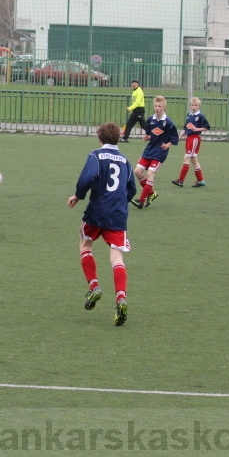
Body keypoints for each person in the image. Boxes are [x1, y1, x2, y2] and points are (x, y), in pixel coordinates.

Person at [68, 122, 137, 326]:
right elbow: (132, 188)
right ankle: (121, 298)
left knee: (85, 243)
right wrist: (119, 201)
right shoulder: (125, 161)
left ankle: (94, 286)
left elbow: (86, 179)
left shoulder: (96, 155)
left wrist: (78, 196)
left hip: (97, 210)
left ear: (100, 138)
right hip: (118, 214)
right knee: (117, 256)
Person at [130, 96, 179, 209]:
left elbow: (174, 138)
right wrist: (147, 137)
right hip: (149, 149)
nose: (157, 108)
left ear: (164, 107)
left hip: (160, 152)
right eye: (156, 106)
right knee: (137, 171)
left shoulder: (168, 123)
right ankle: (152, 193)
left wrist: (168, 145)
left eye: (159, 106)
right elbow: (149, 134)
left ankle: (141, 200)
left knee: (150, 174)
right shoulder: (150, 120)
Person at [172, 97, 210, 188]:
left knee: (187, 158)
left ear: (199, 106)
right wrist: (180, 136)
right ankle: (201, 180)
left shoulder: (200, 116)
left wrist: (197, 129)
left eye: (196, 105)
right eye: (192, 105)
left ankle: (181, 180)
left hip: (195, 138)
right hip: (189, 138)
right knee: (193, 159)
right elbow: (186, 128)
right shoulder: (189, 115)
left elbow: (207, 127)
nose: (194, 107)